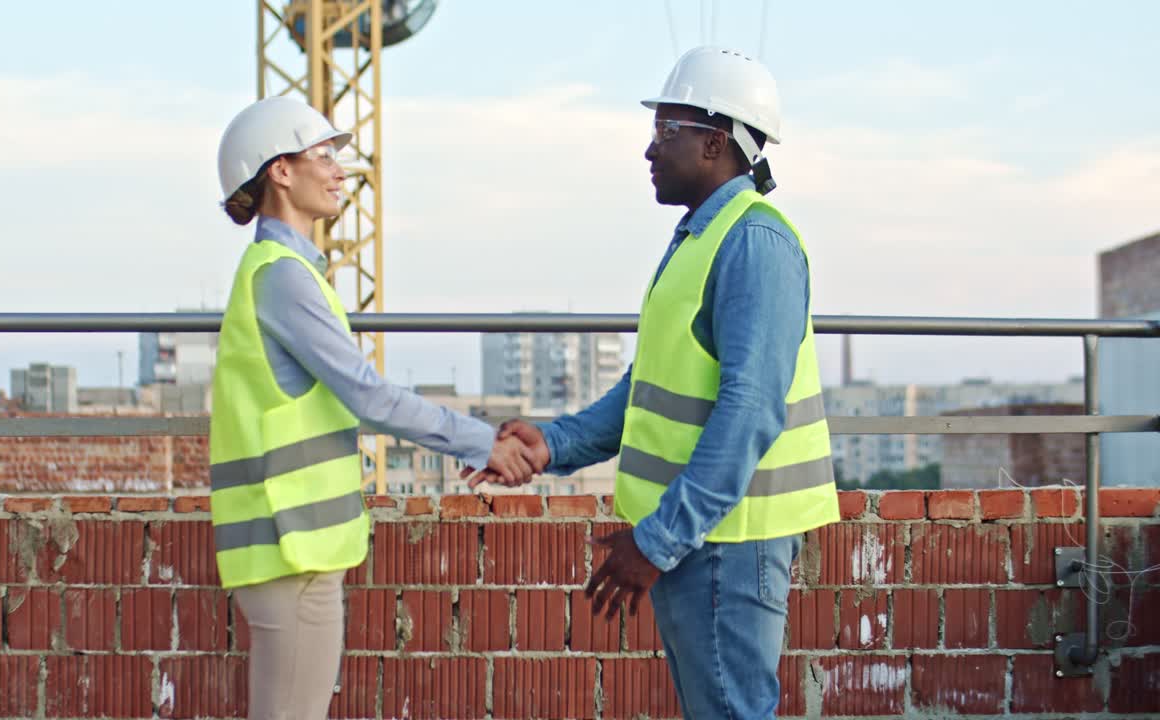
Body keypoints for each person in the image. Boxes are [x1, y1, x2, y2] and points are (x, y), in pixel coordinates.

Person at [467, 47, 840, 719]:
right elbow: (651, 385)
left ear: (715, 143)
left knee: (730, 710)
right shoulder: (702, 237)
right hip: (696, 534)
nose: (649, 149)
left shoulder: (755, 244)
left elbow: (750, 411)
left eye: (666, 130)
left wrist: (658, 540)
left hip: (726, 539)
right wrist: (554, 444)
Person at [208, 96, 539, 720]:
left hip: (292, 549)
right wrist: (479, 442)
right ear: (280, 171)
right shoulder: (281, 276)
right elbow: (369, 394)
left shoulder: (284, 270)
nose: (340, 171)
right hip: (291, 550)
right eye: (325, 156)